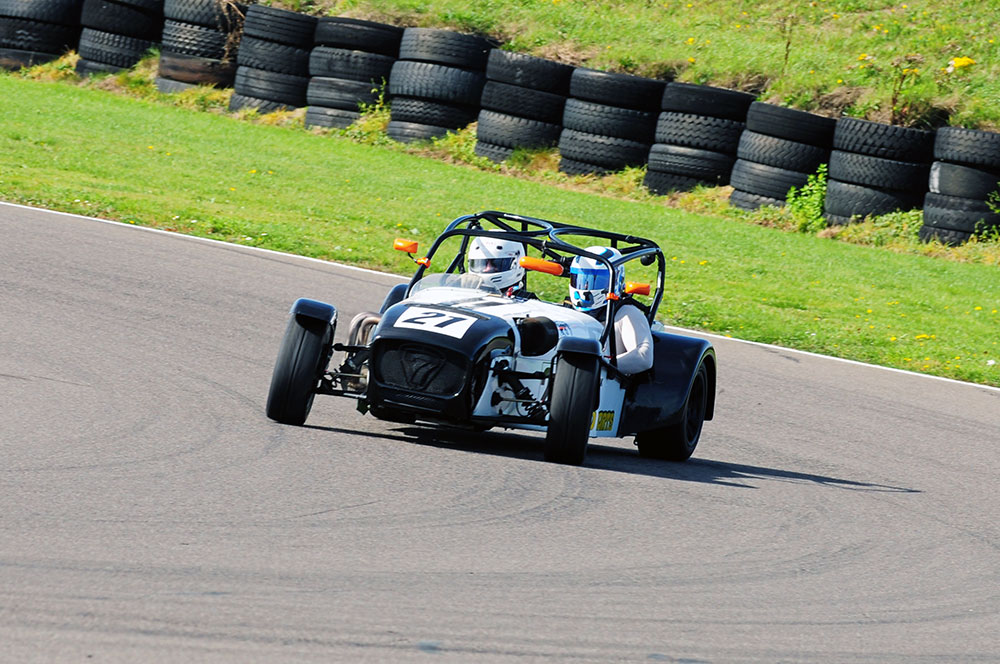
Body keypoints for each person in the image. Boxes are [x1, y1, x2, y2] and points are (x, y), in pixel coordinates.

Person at [568, 246, 653, 375]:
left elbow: (644, 357)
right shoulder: (566, 310)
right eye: (581, 280)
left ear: (615, 280)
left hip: (605, 384)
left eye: (597, 280)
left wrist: (598, 365)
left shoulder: (626, 313)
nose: (585, 287)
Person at [467, 235, 533, 298]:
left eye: (496, 263)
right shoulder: (463, 293)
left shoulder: (530, 303)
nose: (487, 269)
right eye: (481, 264)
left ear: (517, 264)